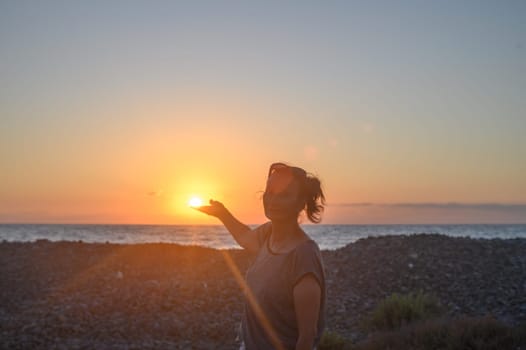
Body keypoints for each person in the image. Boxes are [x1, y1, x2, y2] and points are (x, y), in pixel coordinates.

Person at [196, 162, 326, 350]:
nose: (273, 200)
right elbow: (244, 237)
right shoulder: (268, 234)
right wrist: (222, 213)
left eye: (284, 195)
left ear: (300, 203)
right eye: (269, 192)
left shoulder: (304, 256)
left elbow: (307, 337)